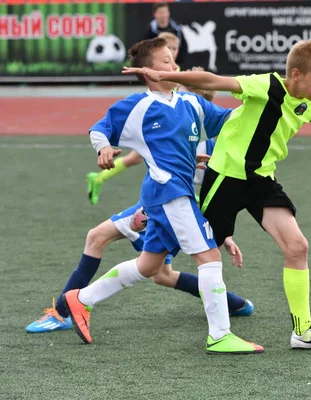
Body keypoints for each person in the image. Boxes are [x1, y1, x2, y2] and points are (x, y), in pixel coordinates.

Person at [123, 39, 311, 350]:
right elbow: (213, 81)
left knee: (298, 246)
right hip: (227, 177)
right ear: (297, 74)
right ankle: (142, 224)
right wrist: (167, 77)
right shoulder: (266, 85)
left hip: (261, 182)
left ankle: (302, 332)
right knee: (170, 258)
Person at [62, 37, 263, 355]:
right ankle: (221, 335)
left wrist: (260, 104)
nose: (174, 64)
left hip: (172, 194)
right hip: (169, 192)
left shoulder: (191, 103)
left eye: (173, 59)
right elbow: (100, 128)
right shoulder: (137, 106)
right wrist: (103, 148)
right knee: (208, 257)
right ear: (148, 71)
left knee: (149, 266)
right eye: (166, 61)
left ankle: (81, 299)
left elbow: (228, 121)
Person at [26, 139, 254, 334]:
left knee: (98, 237)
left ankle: (64, 313)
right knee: (162, 275)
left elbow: (212, 196)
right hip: (159, 203)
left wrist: (224, 235)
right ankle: (234, 303)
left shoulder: (211, 142)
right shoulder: (181, 126)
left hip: (169, 206)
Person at [86, 32, 213, 205]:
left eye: (175, 49)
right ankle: (101, 180)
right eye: (168, 53)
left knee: (154, 162)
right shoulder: (159, 88)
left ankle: (169, 198)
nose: (173, 53)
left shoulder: (176, 74)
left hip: (170, 128)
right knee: (150, 163)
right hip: (159, 126)